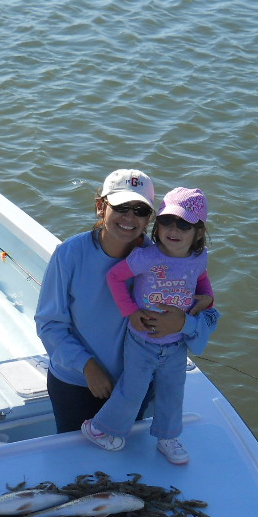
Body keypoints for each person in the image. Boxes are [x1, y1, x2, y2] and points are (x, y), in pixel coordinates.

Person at [80, 187, 218, 464]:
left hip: (177, 342)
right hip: (142, 340)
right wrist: (129, 311)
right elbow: (115, 277)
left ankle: (167, 437)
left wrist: (207, 300)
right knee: (132, 391)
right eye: (167, 220)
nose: (173, 229)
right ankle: (98, 428)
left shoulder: (198, 258)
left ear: (199, 232)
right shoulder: (146, 256)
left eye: (184, 224)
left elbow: (201, 280)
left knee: (172, 392)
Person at [36, 169, 162, 433]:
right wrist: (87, 366)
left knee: (122, 461)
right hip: (74, 384)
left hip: (133, 386)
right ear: (100, 207)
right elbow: (49, 324)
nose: (130, 218)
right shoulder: (69, 254)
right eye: (121, 207)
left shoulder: (159, 261)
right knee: (76, 464)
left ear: (149, 218)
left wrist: (185, 320)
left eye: (140, 210)